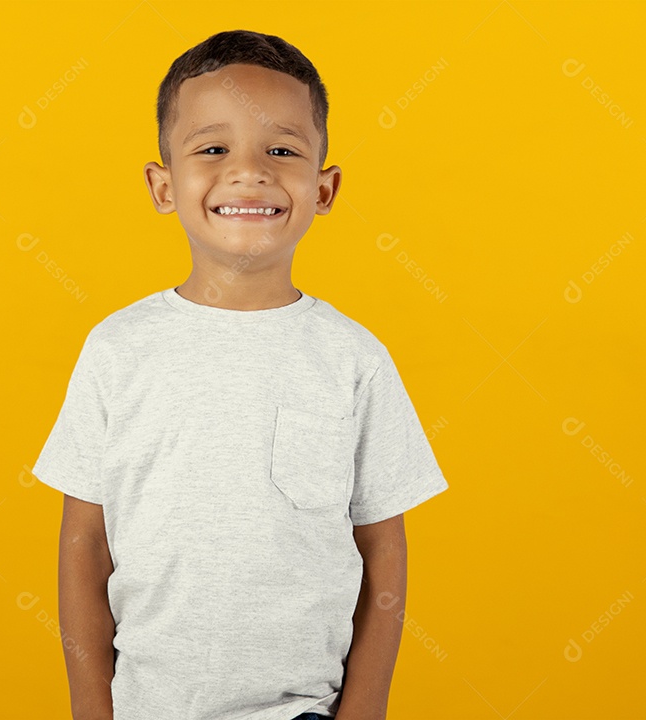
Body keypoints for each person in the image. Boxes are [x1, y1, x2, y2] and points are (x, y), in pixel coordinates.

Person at [31, 28, 449, 720]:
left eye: (282, 150)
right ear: (163, 186)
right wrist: (90, 709)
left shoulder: (354, 360)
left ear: (324, 188)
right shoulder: (117, 351)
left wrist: (366, 709)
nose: (249, 171)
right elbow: (83, 546)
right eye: (213, 148)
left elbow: (383, 548)